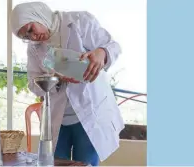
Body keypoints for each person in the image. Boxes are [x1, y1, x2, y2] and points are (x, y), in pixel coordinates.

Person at [10, 2, 125, 166]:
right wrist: (56, 79)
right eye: (26, 37)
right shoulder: (34, 49)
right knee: (54, 163)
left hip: (88, 116)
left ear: (36, 14)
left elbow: (114, 46)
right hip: (58, 120)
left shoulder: (79, 21)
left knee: (86, 165)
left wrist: (102, 53)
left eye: (30, 29)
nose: (33, 37)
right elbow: (33, 84)